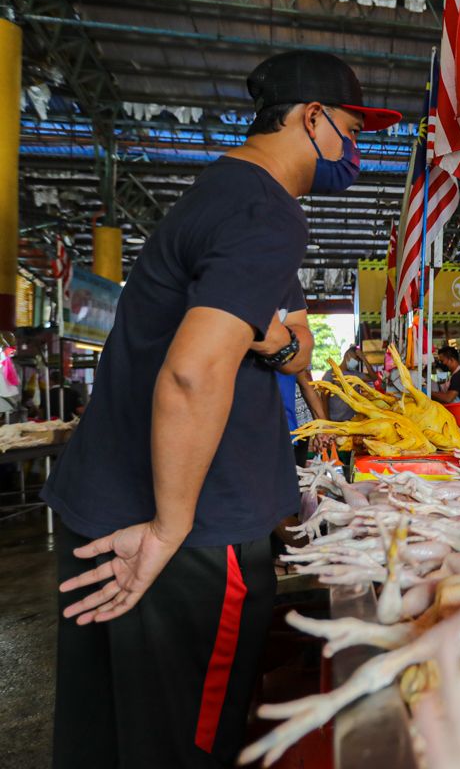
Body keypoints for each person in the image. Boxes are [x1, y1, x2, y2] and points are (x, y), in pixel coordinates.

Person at [43, 50, 402, 768]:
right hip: (183, 533)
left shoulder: (220, 193)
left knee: (110, 739)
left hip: (104, 509)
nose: (356, 151)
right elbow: (191, 374)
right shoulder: (265, 211)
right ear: (313, 119)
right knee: (187, 745)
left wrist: (274, 343)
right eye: (354, 131)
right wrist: (171, 527)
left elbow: (290, 347)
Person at [322, 345, 372, 421]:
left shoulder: (355, 374)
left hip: (351, 421)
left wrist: (364, 358)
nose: (356, 362)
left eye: (358, 361)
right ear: (347, 355)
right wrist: (326, 420)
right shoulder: (331, 373)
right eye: (355, 358)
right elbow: (324, 398)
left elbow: (373, 377)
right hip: (335, 420)